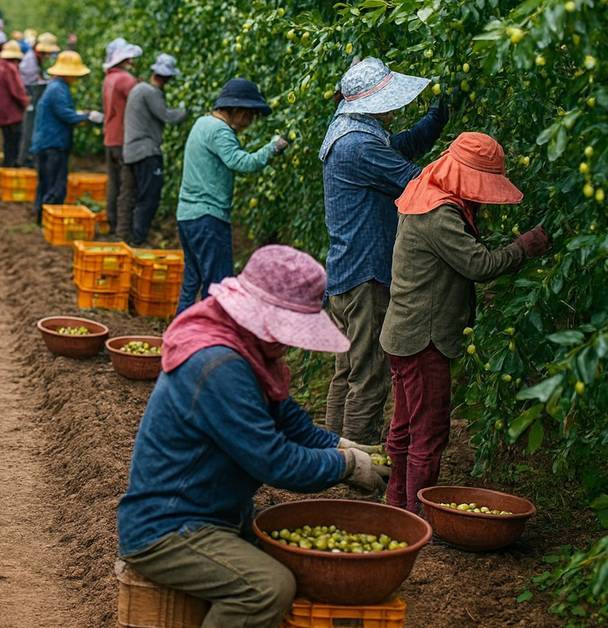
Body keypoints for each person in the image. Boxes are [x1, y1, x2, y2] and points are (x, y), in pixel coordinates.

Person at [117, 245, 387, 628]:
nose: (291, 342)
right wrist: (344, 466)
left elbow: (291, 423)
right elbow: (275, 460)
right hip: (169, 528)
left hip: (216, 514)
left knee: (302, 564)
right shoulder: (218, 365)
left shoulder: (247, 354)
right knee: (267, 588)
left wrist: (340, 445)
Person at [380, 132, 550, 513]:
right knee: (428, 431)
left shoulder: (425, 190)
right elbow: (478, 265)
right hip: (424, 339)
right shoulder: (439, 214)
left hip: (404, 331)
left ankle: (398, 504)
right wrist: (524, 246)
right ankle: (418, 516)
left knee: (406, 426)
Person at [319, 57, 449, 446]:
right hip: (366, 275)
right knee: (369, 374)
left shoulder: (348, 130)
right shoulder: (359, 145)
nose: (393, 108)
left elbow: (399, 149)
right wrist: (460, 169)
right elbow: (413, 180)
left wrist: (436, 117)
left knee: (347, 370)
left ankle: (333, 451)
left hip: (345, 271)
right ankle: (358, 463)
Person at [175, 79, 288, 313]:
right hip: (208, 218)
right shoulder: (219, 130)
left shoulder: (202, 123)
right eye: (249, 115)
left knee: (192, 281)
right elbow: (242, 162)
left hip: (187, 216)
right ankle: (211, 340)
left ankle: (179, 337)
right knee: (218, 286)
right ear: (236, 110)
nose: (250, 123)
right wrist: (274, 147)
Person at [121, 54, 187, 247]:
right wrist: (185, 110)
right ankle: (139, 239)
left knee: (136, 195)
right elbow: (168, 116)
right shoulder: (151, 92)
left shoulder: (138, 88)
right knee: (149, 197)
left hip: (131, 150)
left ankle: (131, 236)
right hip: (146, 152)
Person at [30, 51, 103, 223]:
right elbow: (66, 115)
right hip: (53, 144)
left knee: (46, 183)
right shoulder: (58, 89)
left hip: (48, 142)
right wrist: (88, 117)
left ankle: (42, 218)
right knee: (54, 186)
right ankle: (49, 220)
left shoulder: (57, 87)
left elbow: (63, 112)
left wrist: (81, 114)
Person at [101, 38, 142, 234]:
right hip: (124, 138)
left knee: (114, 183)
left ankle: (111, 221)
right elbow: (141, 99)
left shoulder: (109, 78)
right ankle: (123, 230)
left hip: (110, 137)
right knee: (128, 186)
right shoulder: (125, 79)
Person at [18, 32, 60, 167]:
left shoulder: (36, 58)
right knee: (30, 127)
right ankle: (25, 158)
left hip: (34, 95)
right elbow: (31, 82)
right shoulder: (30, 61)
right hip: (31, 96)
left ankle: (29, 156)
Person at [0, 40, 29, 167]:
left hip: (1, 110)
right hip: (11, 113)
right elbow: (17, 91)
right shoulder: (10, 68)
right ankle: (10, 166)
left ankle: (7, 164)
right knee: (13, 142)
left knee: (7, 141)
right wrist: (26, 102)